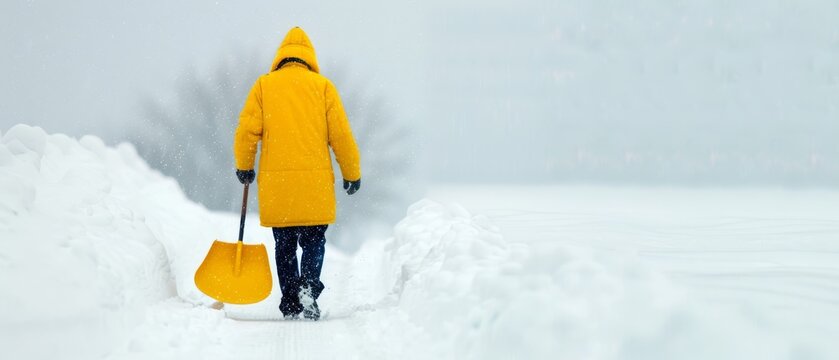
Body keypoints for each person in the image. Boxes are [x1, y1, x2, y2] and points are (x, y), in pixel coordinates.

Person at [233, 27, 361, 321]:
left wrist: (244, 165)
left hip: (278, 185)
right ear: (309, 59)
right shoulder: (323, 87)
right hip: (314, 183)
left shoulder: (264, 86)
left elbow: (246, 132)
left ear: (280, 57)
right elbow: (341, 135)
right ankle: (309, 286)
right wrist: (351, 172)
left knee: (285, 243)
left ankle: (291, 299)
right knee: (315, 240)